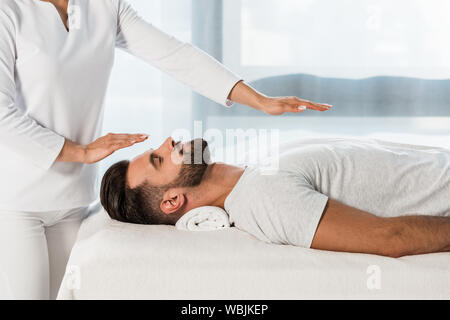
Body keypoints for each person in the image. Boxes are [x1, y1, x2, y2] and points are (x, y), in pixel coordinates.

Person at [0, 0, 331, 299]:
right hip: (16, 203)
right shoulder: (8, 12)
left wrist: (258, 100)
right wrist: (82, 152)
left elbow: (175, 55)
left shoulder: (103, 6)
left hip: (73, 199)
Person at [101, 137, 450, 258]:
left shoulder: (255, 170)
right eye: (159, 160)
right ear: (172, 201)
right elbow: (389, 238)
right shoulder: (263, 198)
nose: (168, 141)